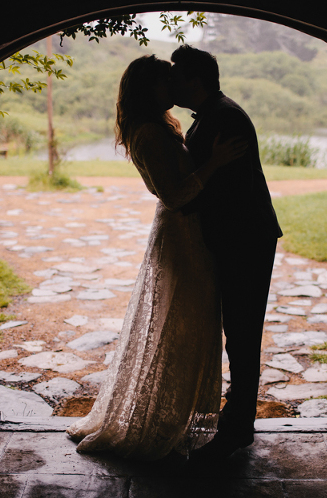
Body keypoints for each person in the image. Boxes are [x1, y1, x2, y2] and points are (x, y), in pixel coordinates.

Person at [66, 55, 247, 460]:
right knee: (177, 325)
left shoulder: (161, 125)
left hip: (192, 234)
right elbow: (174, 194)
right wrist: (216, 163)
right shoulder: (147, 133)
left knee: (188, 325)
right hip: (181, 235)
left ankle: (172, 416)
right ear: (149, 89)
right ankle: (155, 420)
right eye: (167, 82)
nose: (174, 89)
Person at [169, 45, 283, 463]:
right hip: (237, 239)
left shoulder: (226, 116)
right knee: (238, 331)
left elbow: (233, 188)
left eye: (176, 76)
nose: (171, 84)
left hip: (245, 240)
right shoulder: (214, 113)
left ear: (195, 80)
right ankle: (235, 425)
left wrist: (189, 206)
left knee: (242, 332)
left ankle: (236, 430)